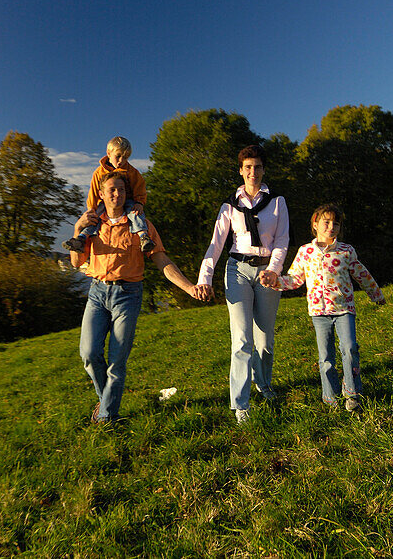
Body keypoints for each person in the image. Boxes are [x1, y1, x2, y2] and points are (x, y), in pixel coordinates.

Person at [71, 171, 206, 423]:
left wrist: (188, 287)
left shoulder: (139, 224)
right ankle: (106, 402)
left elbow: (162, 260)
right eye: (111, 189)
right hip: (97, 293)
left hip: (128, 295)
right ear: (101, 194)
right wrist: (77, 227)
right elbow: (76, 261)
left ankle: (106, 419)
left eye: (121, 190)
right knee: (89, 354)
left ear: (126, 194)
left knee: (117, 360)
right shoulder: (92, 225)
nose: (116, 194)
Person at [196, 144, 289, 424]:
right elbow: (216, 244)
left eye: (258, 167)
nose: (253, 172)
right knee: (242, 340)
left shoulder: (277, 201)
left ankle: (264, 385)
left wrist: (274, 270)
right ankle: (240, 403)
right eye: (248, 167)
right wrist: (205, 277)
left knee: (265, 340)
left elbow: (282, 240)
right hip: (237, 270)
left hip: (267, 273)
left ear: (264, 169)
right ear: (240, 171)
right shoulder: (229, 205)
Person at [267, 203, 385, 413]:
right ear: (315, 224)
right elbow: (295, 279)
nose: (331, 227)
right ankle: (330, 398)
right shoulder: (306, 251)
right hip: (319, 313)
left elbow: (361, 274)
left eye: (336, 224)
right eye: (326, 222)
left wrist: (376, 294)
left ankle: (352, 393)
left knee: (349, 349)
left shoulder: (346, 251)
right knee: (326, 357)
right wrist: (275, 282)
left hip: (344, 309)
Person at [63, 136, 153, 253]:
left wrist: (140, 202)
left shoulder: (131, 172)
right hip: (106, 202)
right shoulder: (99, 172)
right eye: (118, 156)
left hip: (128, 200)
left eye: (125, 158)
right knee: (94, 217)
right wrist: (91, 208)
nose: (121, 161)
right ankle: (81, 238)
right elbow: (94, 191)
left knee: (135, 213)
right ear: (109, 153)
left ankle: (143, 236)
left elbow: (140, 187)